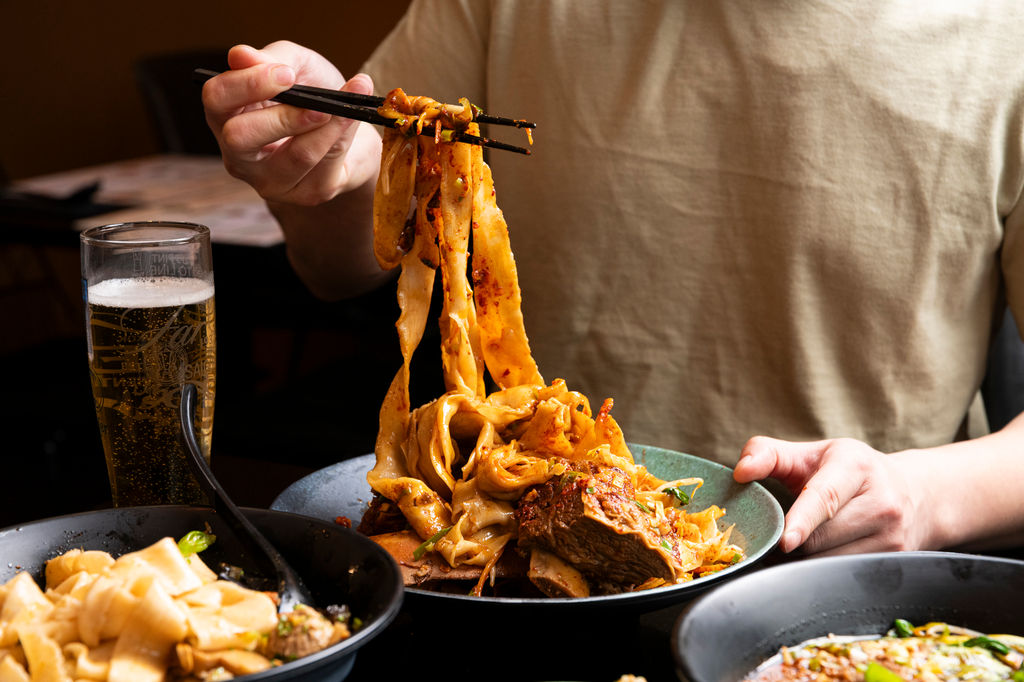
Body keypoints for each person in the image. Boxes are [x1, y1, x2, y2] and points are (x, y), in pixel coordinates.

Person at [201, 0, 1024, 558]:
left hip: (832, 589)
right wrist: (318, 171)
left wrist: (921, 495)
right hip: (508, 565)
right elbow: (337, 264)